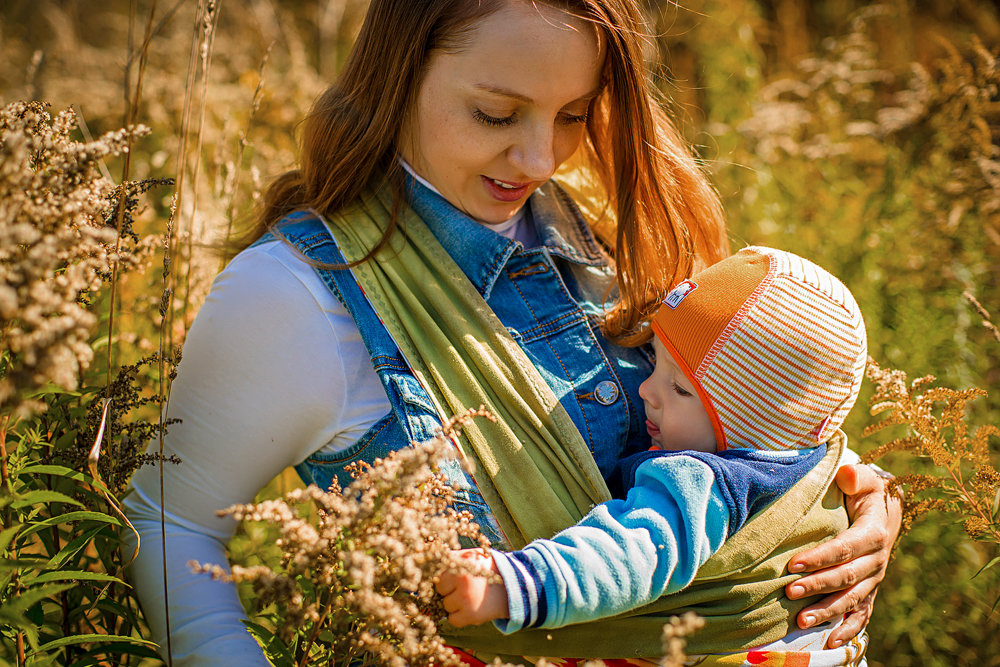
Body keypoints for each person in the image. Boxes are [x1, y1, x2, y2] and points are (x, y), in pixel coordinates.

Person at [123, 1, 900, 664]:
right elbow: (170, 522)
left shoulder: (603, 232)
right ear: (400, 74)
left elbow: (742, 418)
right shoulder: (294, 294)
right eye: (496, 113)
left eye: (572, 114)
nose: (538, 157)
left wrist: (857, 500)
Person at [436, 246, 871, 665]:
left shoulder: (703, 482)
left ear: (754, 422)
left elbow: (637, 550)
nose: (647, 391)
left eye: (680, 388)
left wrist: (513, 585)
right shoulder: (807, 455)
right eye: (655, 363)